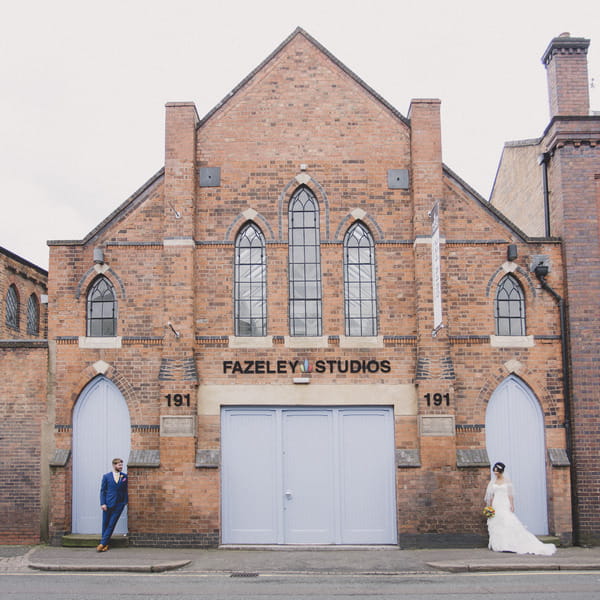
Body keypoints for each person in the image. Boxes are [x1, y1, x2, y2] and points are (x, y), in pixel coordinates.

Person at [484, 461, 556, 555]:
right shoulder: (493, 481)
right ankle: (499, 544)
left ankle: (511, 543)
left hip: (504, 502)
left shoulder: (507, 481)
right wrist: (490, 506)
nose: (495, 473)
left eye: (496, 471)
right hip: (496, 503)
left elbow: (510, 495)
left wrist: (512, 505)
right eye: (494, 471)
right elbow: (491, 494)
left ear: (501, 472)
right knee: (497, 522)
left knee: (507, 521)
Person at [97, 458, 128, 552]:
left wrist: (124, 502)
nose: (121, 467)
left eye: (122, 465)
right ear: (114, 465)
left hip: (119, 504)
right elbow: (103, 491)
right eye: (119, 465)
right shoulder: (106, 476)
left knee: (111, 524)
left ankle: (102, 543)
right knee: (105, 524)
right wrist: (103, 503)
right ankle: (105, 544)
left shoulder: (124, 476)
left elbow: (126, 490)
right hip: (108, 504)